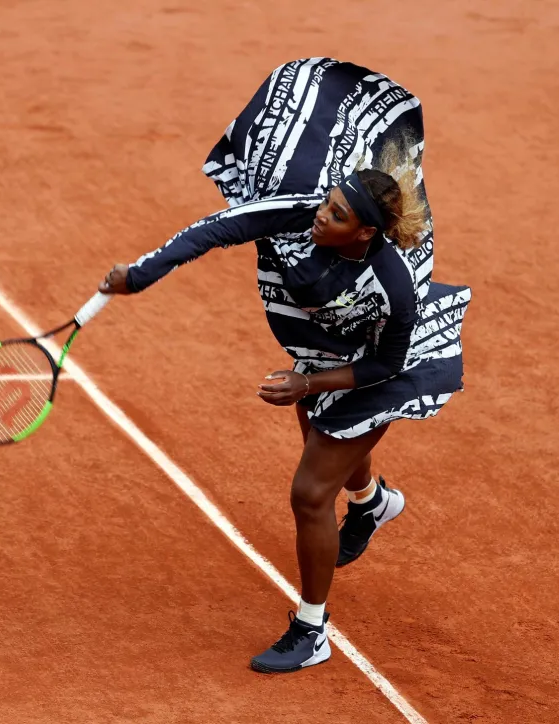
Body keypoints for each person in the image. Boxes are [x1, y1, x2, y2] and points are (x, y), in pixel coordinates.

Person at [99, 58, 471, 674]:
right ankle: (375, 504)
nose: (322, 215)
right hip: (326, 348)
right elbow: (212, 230)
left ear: (363, 236)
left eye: (337, 216)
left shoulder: (393, 287)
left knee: (309, 492)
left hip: (389, 366)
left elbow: (384, 366)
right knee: (328, 438)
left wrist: (309, 381)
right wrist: (138, 277)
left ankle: (311, 629)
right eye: (326, 204)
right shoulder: (301, 210)